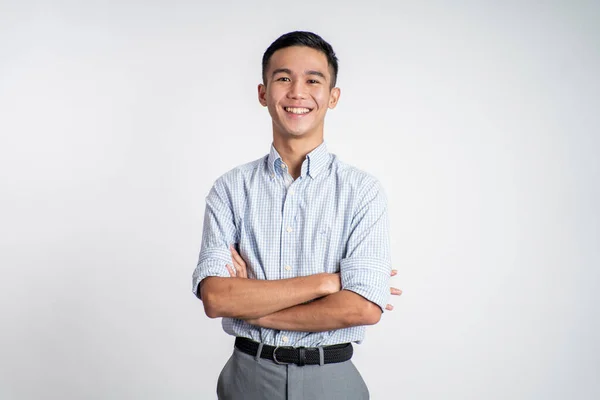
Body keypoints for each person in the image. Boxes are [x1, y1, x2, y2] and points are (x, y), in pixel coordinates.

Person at [192, 31, 401, 399]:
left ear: (332, 96)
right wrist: (328, 283)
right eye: (284, 78)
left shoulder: (362, 192)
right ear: (263, 92)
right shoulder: (230, 189)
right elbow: (217, 298)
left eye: (313, 80)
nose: (297, 92)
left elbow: (365, 307)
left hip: (332, 379)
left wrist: (255, 310)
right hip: (248, 380)